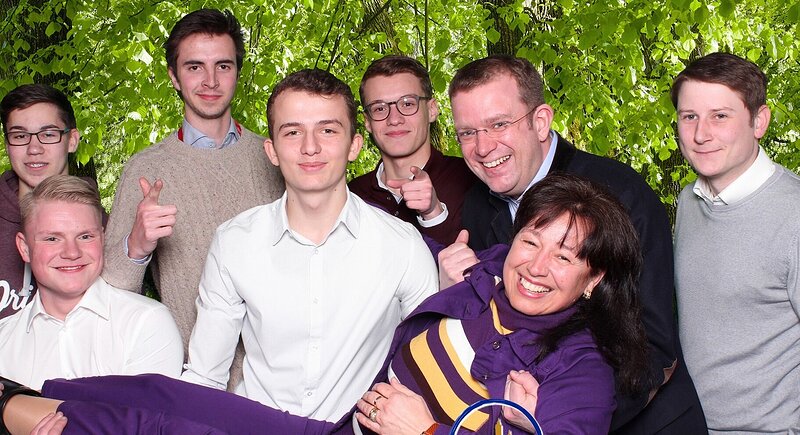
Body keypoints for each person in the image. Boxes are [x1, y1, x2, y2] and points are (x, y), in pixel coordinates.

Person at [0, 173, 651, 435]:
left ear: (594, 279)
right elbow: (404, 243)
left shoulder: (580, 370)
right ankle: (19, 394)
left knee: (162, 429)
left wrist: (427, 431)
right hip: (339, 430)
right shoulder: (485, 279)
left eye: (565, 256)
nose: (537, 264)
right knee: (159, 393)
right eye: (533, 239)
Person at [439, 55, 706, 433]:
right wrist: (452, 295)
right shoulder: (479, 209)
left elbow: (655, 350)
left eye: (499, 124)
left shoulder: (620, 195)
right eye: (467, 132)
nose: (483, 147)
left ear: (540, 121)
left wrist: (558, 413)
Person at [179, 68, 438, 422]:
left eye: (328, 130)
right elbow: (205, 378)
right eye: (293, 132)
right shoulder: (234, 242)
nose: (310, 147)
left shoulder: (403, 247)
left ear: (354, 145)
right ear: (271, 150)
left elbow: (429, 374)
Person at [101, 9, 284, 376]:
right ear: (174, 76)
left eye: (223, 66)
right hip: (197, 379)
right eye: (194, 67)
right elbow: (111, 293)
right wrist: (136, 246)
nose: (210, 80)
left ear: (238, 71)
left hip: (282, 376)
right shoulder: (146, 169)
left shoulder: (275, 157)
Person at [672, 52, 800, 433]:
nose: (701, 134)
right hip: (689, 424)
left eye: (720, 116)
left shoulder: (794, 213)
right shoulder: (688, 202)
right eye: (689, 116)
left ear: (759, 121)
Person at [0, 175, 182, 390]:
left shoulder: (146, 323)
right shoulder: (4, 340)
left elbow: (146, 411)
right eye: (52, 239)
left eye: (85, 236)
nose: (72, 252)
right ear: (24, 248)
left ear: (102, 239)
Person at [348, 55, 477, 245]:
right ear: (367, 121)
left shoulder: (473, 181)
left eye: (407, 104)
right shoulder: (352, 196)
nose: (394, 119)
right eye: (379, 108)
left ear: (432, 110)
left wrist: (433, 214)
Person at [0, 84, 80, 320]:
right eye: (20, 136)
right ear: (7, 145)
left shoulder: (101, 228)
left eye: (48, 134)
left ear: (72, 140)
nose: (34, 148)